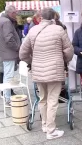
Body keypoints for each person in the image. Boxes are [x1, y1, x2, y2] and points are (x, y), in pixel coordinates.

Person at [19, 7, 74, 139]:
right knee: (52, 100)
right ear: (54, 17)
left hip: (38, 71)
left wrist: (32, 62)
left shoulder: (32, 30)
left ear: (40, 18)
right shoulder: (59, 30)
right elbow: (69, 50)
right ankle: (51, 131)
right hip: (55, 70)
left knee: (42, 99)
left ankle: (44, 125)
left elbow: (22, 53)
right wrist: (64, 61)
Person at [0, 5, 21, 106]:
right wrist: (17, 47)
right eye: (15, 13)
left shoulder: (1, 20)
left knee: (7, 75)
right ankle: (7, 99)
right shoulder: (6, 22)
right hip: (9, 53)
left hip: (5, 52)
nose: (16, 15)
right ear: (12, 13)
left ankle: (7, 97)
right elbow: (9, 38)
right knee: (9, 76)